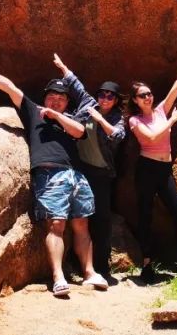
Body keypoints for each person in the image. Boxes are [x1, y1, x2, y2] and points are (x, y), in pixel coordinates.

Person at [0, 55, 108, 297]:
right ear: (44, 98)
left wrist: (56, 117)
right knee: (56, 224)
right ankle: (58, 277)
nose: (56, 101)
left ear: (67, 103)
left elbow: (77, 132)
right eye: (52, 97)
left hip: (76, 175)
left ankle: (89, 273)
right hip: (49, 173)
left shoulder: (72, 119)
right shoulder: (33, 111)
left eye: (61, 98)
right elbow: (9, 87)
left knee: (82, 225)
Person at [128, 45, 177, 282]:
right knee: (145, 215)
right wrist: (173, 120)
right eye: (143, 95)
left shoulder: (160, 109)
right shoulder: (134, 120)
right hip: (147, 169)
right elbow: (150, 138)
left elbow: (176, 87)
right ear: (135, 101)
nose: (148, 97)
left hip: (165, 169)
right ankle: (147, 264)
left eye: (149, 93)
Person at [50, 51, 126, 281]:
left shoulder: (117, 118)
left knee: (101, 219)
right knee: (79, 218)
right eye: (102, 94)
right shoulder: (87, 103)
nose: (104, 99)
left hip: (101, 175)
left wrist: (99, 118)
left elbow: (118, 136)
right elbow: (76, 86)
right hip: (80, 170)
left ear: (116, 101)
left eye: (110, 97)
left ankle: (101, 268)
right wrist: (62, 66)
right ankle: (78, 265)